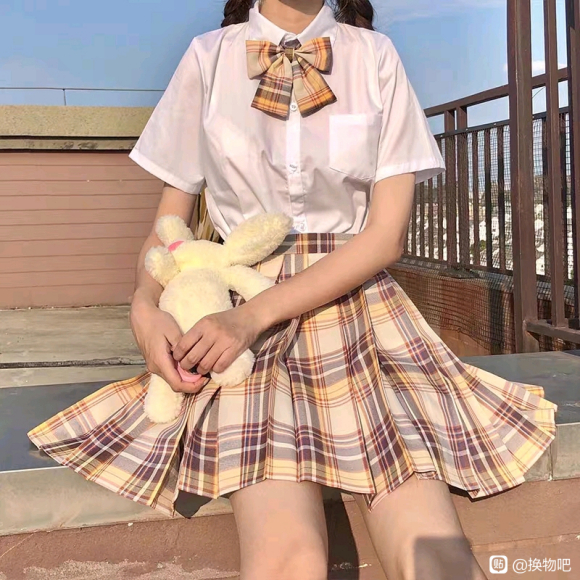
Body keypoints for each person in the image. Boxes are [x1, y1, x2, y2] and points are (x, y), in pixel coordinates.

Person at [28, 1, 559, 579]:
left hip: (357, 310)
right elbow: (169, 227)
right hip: (238, 315)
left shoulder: (374, 56)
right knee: (289, 558)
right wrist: (143, 304)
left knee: (435, 554)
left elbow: (385, 238)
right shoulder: (208, 58)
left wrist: (252, 317)